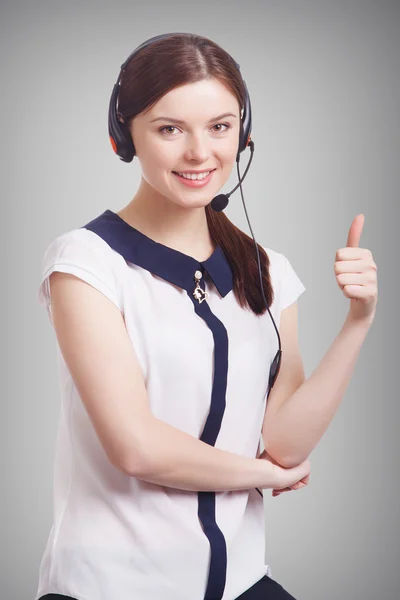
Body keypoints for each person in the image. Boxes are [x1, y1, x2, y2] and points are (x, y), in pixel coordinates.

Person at [35, 33, 311, 600]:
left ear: (243, 131)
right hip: (111, 586)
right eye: (169, 129)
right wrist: (264, 475)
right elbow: (136, 447)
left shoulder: (269, 271)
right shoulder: (84, 263)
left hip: (239, 581)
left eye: (220, 126)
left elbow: (286, 438)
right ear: (124, 136)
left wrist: (360, 320)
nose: (199, 153)